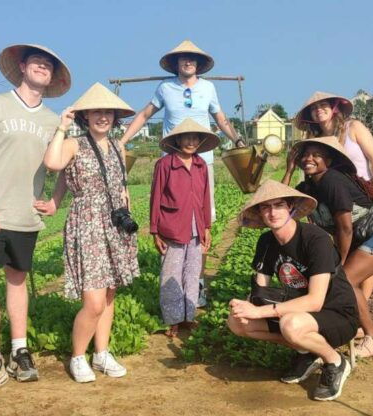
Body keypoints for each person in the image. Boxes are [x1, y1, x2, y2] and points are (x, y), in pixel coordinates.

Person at [0, 44, 71, 400]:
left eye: (49, 65)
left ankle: (20, 351)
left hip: (25, 216)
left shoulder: (54, 121)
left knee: (17, 282)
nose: (43, 66)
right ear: (22, 66)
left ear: (52, 77)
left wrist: (55, 200)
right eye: (37, 61)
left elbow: (65, 165)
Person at [119, 40, 244, 306]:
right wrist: (122, 141)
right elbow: (143, 115)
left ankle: (196, 286)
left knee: (202, 222)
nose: (187, 62)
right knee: (173, 219)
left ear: (198, 64)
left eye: (192, 58)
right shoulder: (165, 88)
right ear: (175, 63)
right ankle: (172, 285)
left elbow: (221, 118)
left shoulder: (208, 88)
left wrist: (237, 140)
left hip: (201, 163)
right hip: (172, 163)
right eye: (182, 58)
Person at [227, 179, 358, 402]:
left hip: (336, 314)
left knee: (291, 325)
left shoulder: (315, 239)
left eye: (278, 205)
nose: (272, 212)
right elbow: (260, 289)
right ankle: (307, 351)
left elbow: (315, 302)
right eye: (265, 207)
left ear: (290, 207)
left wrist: (260, 312)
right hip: (299, 314)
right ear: (259, 212)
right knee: (237, 322)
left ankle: (334, 361)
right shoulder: (266, 242)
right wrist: (247, 305)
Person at [43, 82, 140, 383]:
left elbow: (119, 183)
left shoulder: (117, 146)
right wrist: (61, 128)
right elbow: (54, 164)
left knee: (110, 293)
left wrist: (125, 200)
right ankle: (77, 356)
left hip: (114, 224)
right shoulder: (74, 143)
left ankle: (102, 353)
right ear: (86, 116)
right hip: (87, 223)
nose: (103, 117)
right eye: (96, 112)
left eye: (107, 112)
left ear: (114, 116)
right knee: (94, 301)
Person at [283, 136, 373, 358]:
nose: (308, 158)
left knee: (345, 280)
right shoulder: (309, 186)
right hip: (363, 235)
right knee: (342, 281)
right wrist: (290, 169)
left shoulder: (333, 181)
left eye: (316, 154)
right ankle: (355, 326)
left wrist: (337, 263)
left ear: (329, 160)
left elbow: (345, 229)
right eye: (305, 155)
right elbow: (279, 201)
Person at [292, 91, 373, 309]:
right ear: (310, 116)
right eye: (314, 108)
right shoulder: (315, 139)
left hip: (361, 196)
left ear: (335, 107)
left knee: (362, 248)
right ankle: (353, 303)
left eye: (324, 105)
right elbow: (309, 172)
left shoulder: (353, 128)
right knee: (345, 245)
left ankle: (361, 304)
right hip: (334, 199)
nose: (319, 110)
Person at [150, 118, 218, 337]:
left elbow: (206, 198)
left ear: (200, 141)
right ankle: (173, 319)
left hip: (197, 226)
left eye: (195, 137)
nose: (191, 141)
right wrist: (154, 230)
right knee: (171, 274)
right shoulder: (165, 164)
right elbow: (156, 197)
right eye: (186, 137)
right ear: (177, 140)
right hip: (172, 226)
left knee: (192, 272)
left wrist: (207, 226)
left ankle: (189, 316)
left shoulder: (201, 166)